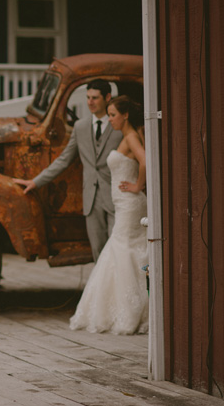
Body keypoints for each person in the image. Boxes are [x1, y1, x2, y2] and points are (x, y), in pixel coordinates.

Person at [14, 79, 123, 261]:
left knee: (117, 248)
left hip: (117, 196)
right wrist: (35, 182)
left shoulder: (119, 127)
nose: (90, 102)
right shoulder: (80, 127)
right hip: (91, 199)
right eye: (88, 97)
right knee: (98, 252)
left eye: (95, 98)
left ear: (107, 97)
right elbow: (63, 160)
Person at [69, 95, 148, 334]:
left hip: (129, 202)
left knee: (121, 248)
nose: (110, 118)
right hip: (124, 202)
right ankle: (125, 306)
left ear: (125, 116)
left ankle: (130, 310)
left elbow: (145, 161)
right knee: (125, 250)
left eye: (113, 114)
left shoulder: (131, 136)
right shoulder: (129, 136)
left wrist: (137, 186)